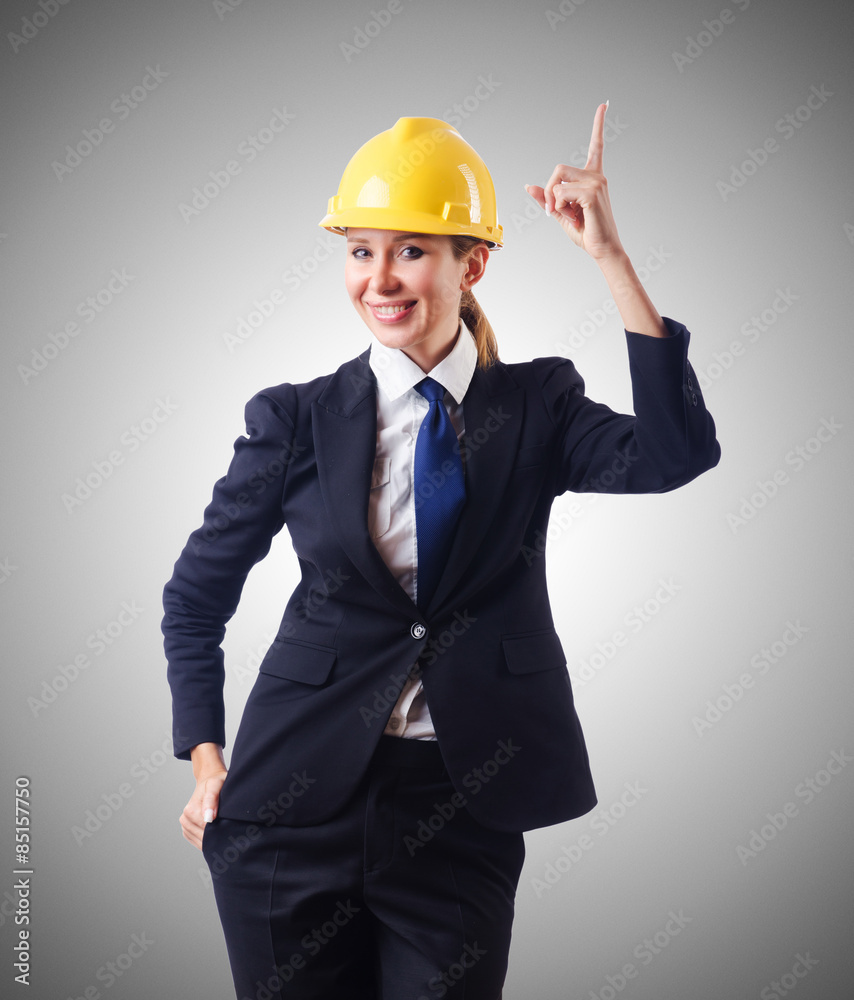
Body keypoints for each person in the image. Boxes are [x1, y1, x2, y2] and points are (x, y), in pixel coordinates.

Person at [162, 105, 720, 1000]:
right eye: (360, 250)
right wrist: (206, 758)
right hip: (287, 808)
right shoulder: (296, 417)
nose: (379, 278)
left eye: (411, 250)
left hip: (460, 808)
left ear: (474, 262)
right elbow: (195, 597)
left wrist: (612, 260)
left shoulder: (539, 403)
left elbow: (675, 453)